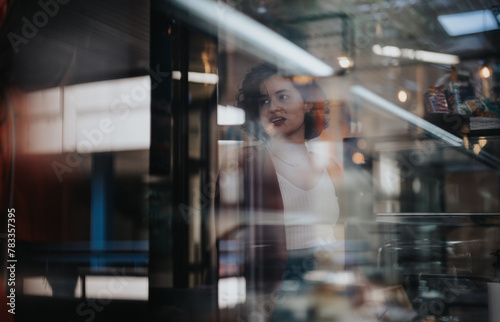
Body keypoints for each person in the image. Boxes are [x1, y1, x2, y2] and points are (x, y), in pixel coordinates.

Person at [214, 63, 344, 321]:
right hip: (271, 290)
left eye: (282, 96)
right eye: (264, 101)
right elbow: (223, 237)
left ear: (307, 103)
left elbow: (342, 237)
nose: (273, 107)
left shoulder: (331, 168)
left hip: (325, 288)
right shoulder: (244, 161)